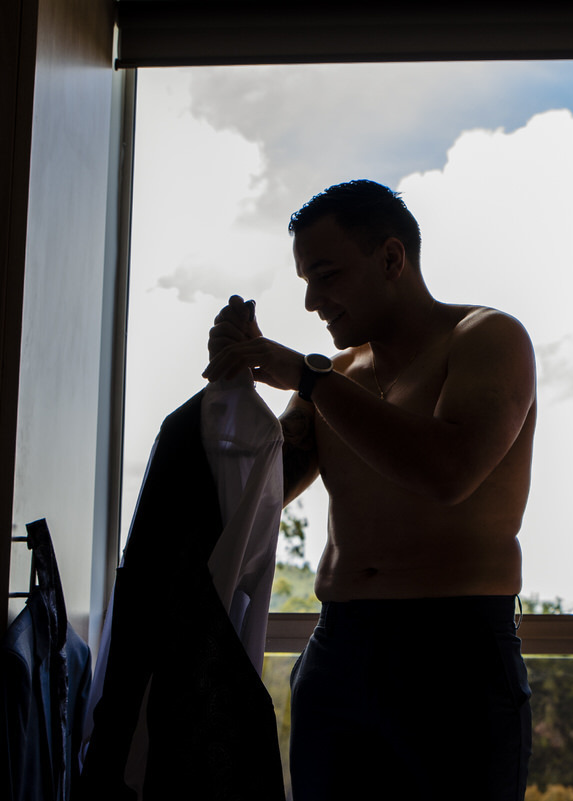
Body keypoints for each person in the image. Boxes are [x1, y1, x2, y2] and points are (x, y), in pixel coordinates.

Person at [203, 179, 536, 800]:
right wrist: (233, 389)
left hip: (456, 654)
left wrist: (308, 379)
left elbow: (448, 473)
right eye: (306, 281)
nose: (311, 302)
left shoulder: (487, 337)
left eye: (326, 275)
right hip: (337, 649)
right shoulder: (337, 377)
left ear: (390, 258)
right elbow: (258, 494)